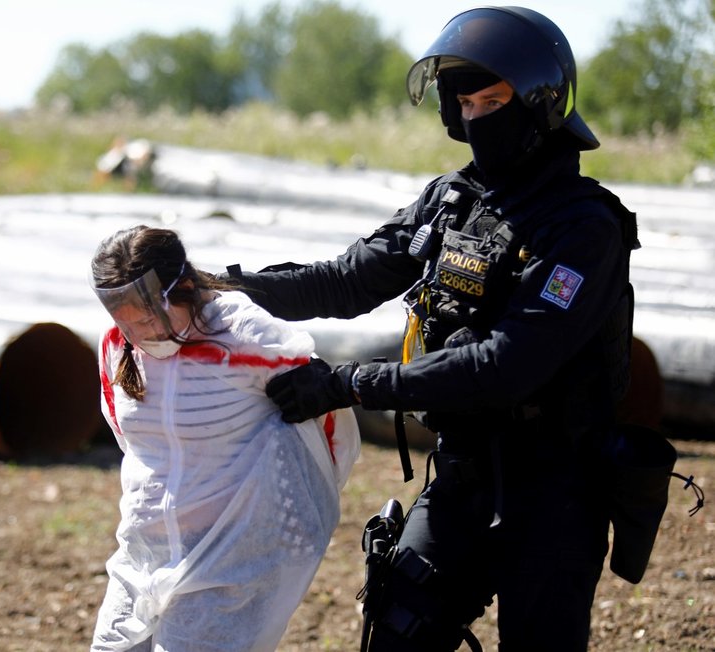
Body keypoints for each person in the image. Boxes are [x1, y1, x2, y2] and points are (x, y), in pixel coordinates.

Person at [222, 7, 640, 651]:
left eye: (493, 100)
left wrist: (348, 385)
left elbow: (507, 365)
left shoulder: (584, 228)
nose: (477, 118)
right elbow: (349, 278)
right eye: (465, 103)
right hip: (462, 477)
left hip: (554, 492)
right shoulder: (449, 200)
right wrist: (234, 289)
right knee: (394, 637)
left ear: (540, 102)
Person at [88, 225, 360, 652]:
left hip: (234, 562)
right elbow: (132, 438)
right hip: (145, 552)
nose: (139, 335)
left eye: (147, 319)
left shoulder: (245, 336)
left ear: (186, 289)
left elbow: (327, 428)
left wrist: (280, 519)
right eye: (126, 323)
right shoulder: (117, 347)